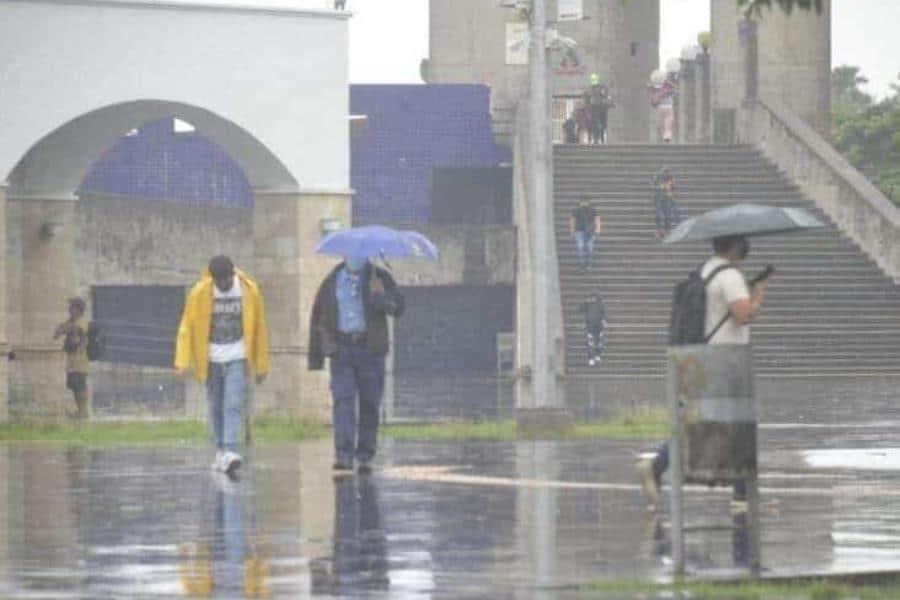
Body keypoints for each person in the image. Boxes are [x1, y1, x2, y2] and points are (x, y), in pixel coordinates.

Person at [636, 234, 769, 511]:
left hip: (702, 357)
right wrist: (757, 296)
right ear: (735, 246)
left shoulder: (707, 270)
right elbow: (743, 315)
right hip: (724, 360)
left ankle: (659, 466)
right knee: (735, 425)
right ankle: (740, 497)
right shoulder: (730, 275)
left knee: (706, 425)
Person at [175, 255, 270, 477]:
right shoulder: (200, 293)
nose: (223, 286)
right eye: (219, 283)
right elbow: (186, 326)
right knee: (216, 405)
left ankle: (230, 449)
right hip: (211, 359)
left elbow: (259, 328)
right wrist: (181, 360)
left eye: (226, 281)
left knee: (233, 404)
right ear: (212, 279)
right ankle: (219, 450)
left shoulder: (249, 291)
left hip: (238, 356)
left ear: (233, 275)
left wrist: (261, 365)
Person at [308, 256, 405, 474]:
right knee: (343, 401)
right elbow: (319, 316)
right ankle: (343, 455)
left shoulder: (379, 276)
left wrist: (380, 297)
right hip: (342, 350)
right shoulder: (332, 280)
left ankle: (365, 455)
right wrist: (320, 353)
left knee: (370, 403)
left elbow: (398, 307)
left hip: (370, 349)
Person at [53, 297, 90, 420]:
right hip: (72, 361)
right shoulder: (72, 322)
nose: (69, 310)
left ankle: (83, 412)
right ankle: (80, 412)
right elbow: (57, 334)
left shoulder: (81, 322)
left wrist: (64, 327)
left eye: (72, 307)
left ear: (79, 310)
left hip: (80, 360)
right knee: (74, 386)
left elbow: (72, 330)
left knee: (80, 386)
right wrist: (63, 327)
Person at [570, 198, 603, 270]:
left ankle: (589, 263)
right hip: (579, 231)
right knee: (580, 247)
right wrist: (572, 230)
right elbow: (572, 220)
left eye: (585, 202)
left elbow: (597, 219)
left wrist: (598, 229)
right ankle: (582, 263)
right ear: (580, 202)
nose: (584, 203)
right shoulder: (576, 210)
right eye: (582, 202)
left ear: (588, 202)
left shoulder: (593, 210)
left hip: (591, 232)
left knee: (589, 247)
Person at [653, 167, 682, 239]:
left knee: (667, 215)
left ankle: (666, 231)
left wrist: (671, 187)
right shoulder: (658, 178)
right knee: (658, 215)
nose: (666, 174)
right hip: (659, 199)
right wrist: (662, 187)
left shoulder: (670, 178)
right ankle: (659, 231)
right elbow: (654, 186)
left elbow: (674, 188)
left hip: (667, 199)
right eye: (665, 173)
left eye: (667, 173)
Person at [580, 293, 607, 367]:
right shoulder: (587, 305)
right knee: (590, 342)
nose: (592, 299)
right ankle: (591, 358)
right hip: (589, 326)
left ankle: (597, 355)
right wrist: (585, 302)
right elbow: (580, 309)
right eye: (591, 298)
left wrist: (604, 321)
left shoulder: (600, 305)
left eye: (593, 298)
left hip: (598, 326)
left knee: (599, 342)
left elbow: (603, 314)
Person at [649, 76, 676, 142]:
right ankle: (667, 136)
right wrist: (667, 82)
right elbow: (674, 89)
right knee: (668, 122)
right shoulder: (668, 88)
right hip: (668, 107)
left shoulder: (654, 88)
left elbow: (652, 99)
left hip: (660, 107)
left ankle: (664, 135)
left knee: (661, 122)